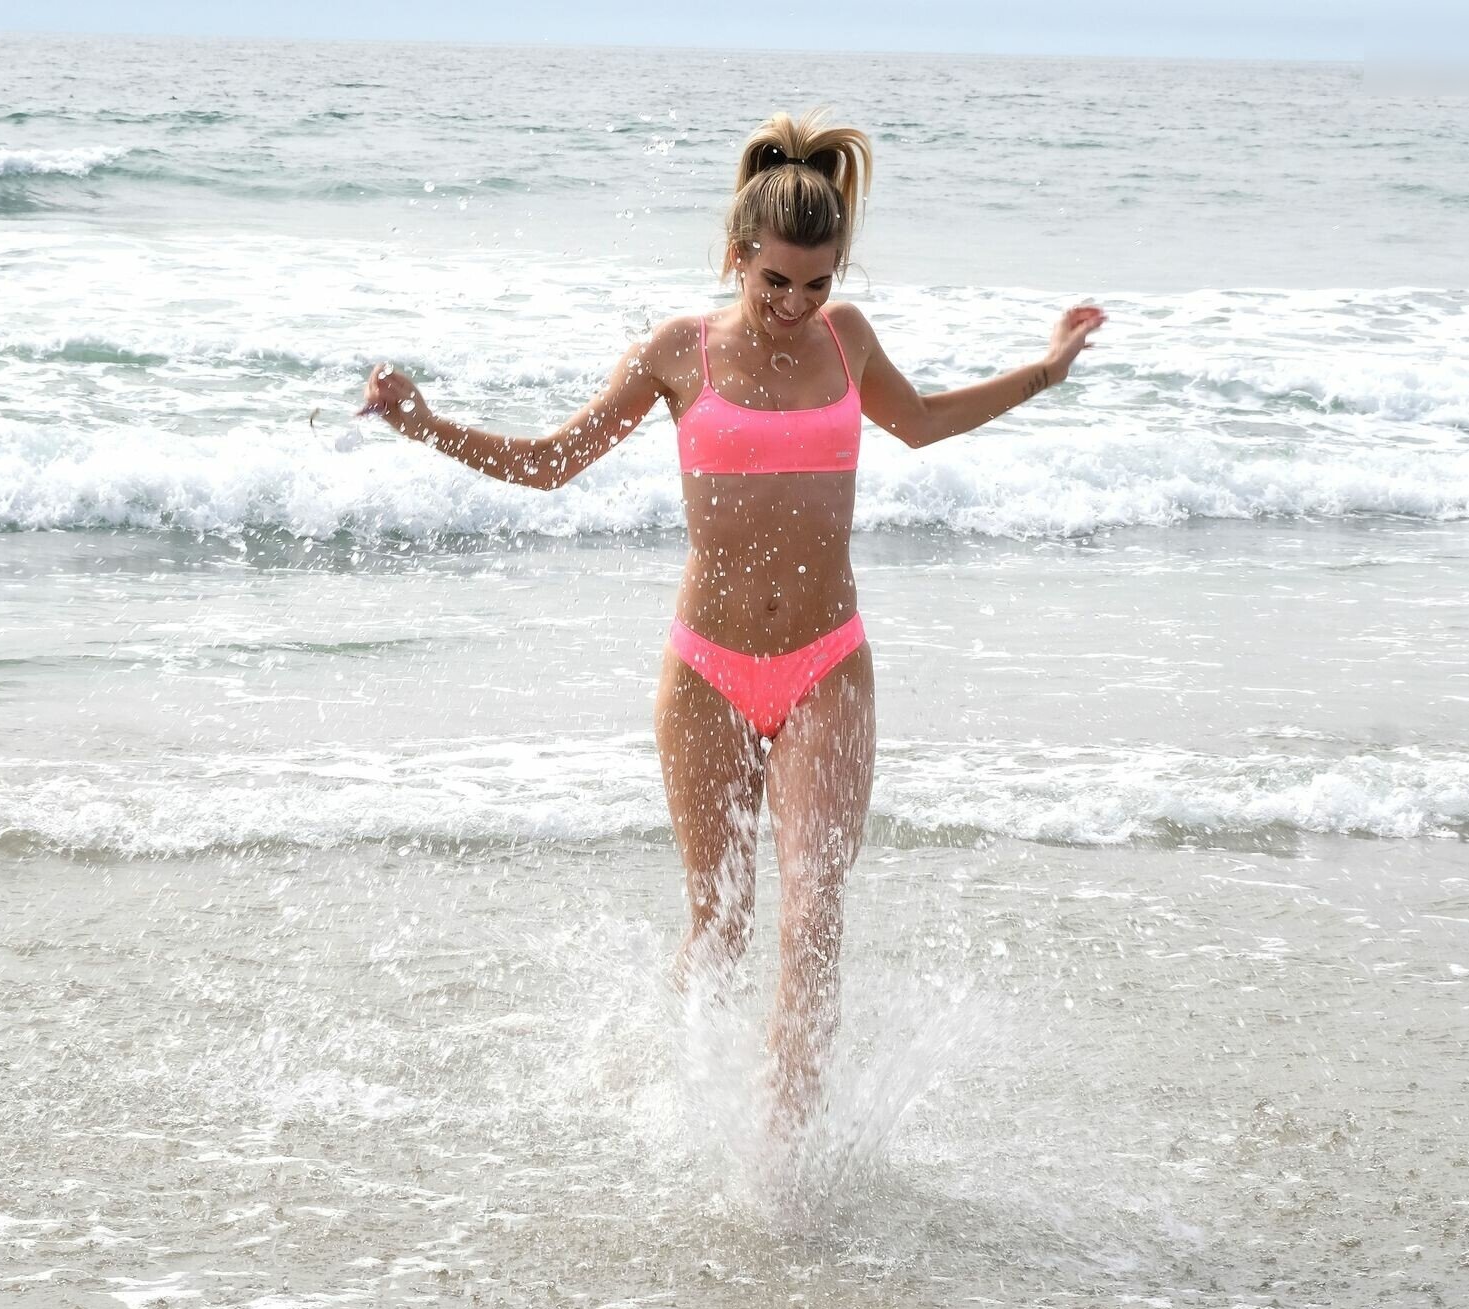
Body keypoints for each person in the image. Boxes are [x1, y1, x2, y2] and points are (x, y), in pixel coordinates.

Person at [360, 109, 1103, 1136]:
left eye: (818, 284)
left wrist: (1047, 370)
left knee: (814, 915)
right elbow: (549, 463)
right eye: (775, 282)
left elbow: (926, 422)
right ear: (736, 256)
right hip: (706, 671)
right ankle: (676, 1106)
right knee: (721, 922)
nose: (796, 304)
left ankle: (781, 1157)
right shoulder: (681, 352)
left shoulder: (848, 341)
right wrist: (426, 426)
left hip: (827, 663)